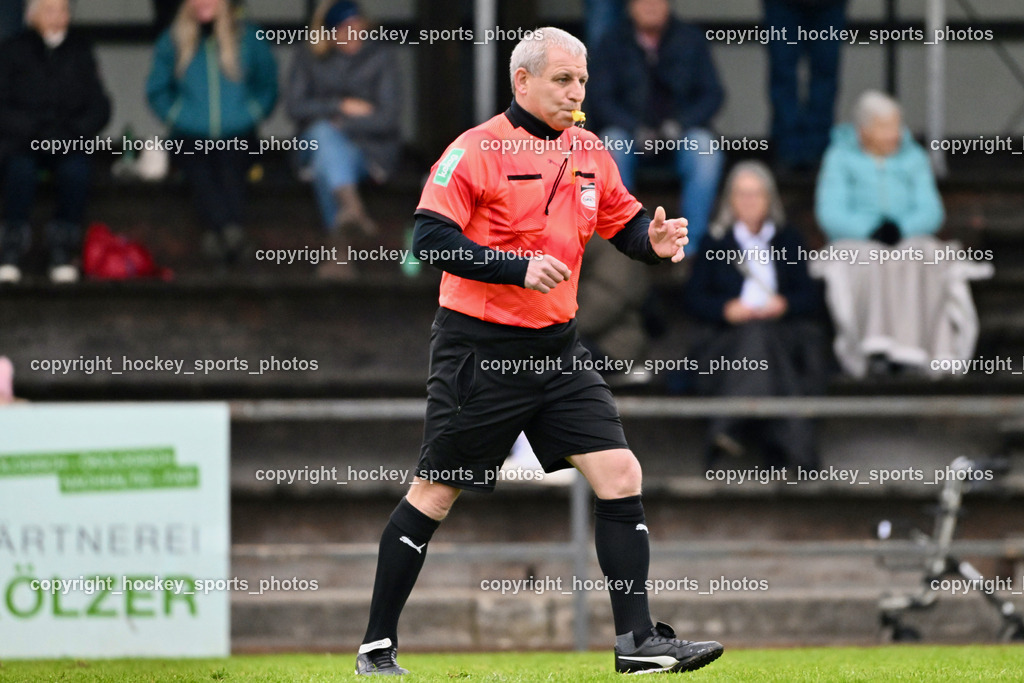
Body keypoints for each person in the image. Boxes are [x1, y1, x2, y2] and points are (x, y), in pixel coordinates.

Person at [354, 27, 723, 677]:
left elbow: (624, 223)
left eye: (581, 80)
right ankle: (376, 646)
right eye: (563, 80)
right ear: (522, 81)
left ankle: (637, 642)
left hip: (557, 348)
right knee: (435, 493)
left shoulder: (589, 150)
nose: (576, 92)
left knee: (621, 473)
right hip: (480, 346)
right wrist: (514, 268)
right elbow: (430, 241)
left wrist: (654, 238)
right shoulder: (474, 149)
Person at [814, 91, 988, 377]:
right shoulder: (839, 157)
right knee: (868, 259)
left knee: (922, 256)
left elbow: (931, 210)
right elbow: (830, 212)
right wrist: (868, 230)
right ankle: (875, 348)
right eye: (885, 127)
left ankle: (919, 351)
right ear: (864, 131)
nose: (894, 134)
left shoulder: (914, 157)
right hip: (858, 239)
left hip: (906, 236)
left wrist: (902, 228)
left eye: (896, 125)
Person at [685, 161, 826, 470]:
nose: (749, 202)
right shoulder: (715, 241)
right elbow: (694, 298)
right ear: (730, 201)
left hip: (783, 336)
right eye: (741, 195)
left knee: (762, 334)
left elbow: (810, 296)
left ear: (769, 199)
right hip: (727, 342)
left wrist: (784, 304)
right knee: (755, 335)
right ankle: (793, 449)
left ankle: (727, 426)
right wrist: (725, 309)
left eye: (756, 194)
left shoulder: (788, 239)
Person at [146, 0, 277, 266]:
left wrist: (249, 114)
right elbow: (157, 89)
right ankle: (231, 232)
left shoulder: (249, 37)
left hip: (238, 132)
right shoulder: (172, 39)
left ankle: (218, 235)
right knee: (199, 169)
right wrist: (178, 116)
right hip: (189, 134)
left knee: (231, 166)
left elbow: (268, 85)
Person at [589, 0, 724, 256]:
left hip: (680, 137)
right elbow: (600, 98)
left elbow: (713, 94)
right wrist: (634, 128)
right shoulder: (612, 41)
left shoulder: (690, 38)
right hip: (630, 136)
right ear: (629, 6)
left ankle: (690, 248)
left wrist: (680, 125)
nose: (651, 5)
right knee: (610, 145)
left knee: (706, 151)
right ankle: (625, 241)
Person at [285, 0, 400, 278]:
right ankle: (351, 208)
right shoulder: (309, 56)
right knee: (324, 140)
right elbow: (295, 107)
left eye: (357, 27)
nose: (353, 35)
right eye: (344, 30)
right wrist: (340, 106)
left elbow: (387, 118)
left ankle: (340, 251)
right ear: (329, 33)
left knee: (328, 152)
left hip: (368, 151)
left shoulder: (380, 57)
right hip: (312, 145)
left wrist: (340, 126)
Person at [0, 0, 111, 284]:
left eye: (63, 10)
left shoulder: (80, 50)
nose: (58, 16)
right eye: (49, 9)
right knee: (19, 172)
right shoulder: (13, 49)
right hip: (23, 142)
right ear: (32, 15)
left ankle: (62, 248)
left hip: (68, 141)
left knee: (76, 172)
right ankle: (11, 248)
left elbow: (99, 105)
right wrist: (29, 130)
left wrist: (75, 133)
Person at [763, 0, 848, 171]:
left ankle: (818, 151)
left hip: (829, 5)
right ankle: (787, 150)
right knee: (783, 74)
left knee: (824, 76)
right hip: (782, 5)